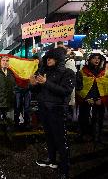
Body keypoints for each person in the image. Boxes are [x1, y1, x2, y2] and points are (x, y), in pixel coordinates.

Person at [30, 47, 75, 179]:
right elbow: (36, 91)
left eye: (51, 57)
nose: (48, 60)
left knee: (60, 139)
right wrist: (32, 85)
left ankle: (64, 169)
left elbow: (65, 91)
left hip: (57, 110)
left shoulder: (68, 73)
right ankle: (51, 160)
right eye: (47, 57)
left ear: (58, 59)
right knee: (49, 137)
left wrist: (46, 83)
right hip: (44, 109)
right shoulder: (43, 71)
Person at [76, 53, 108, 143]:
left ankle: (97, 137)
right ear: (89, 60)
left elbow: (106, 87)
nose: (96, 60)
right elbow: (78, 87)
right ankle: (83, 136)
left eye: (98, 58)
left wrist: (101, 99)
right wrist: (86, 98)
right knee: (83, 119)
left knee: (98, 119)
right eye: (94, 58)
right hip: (86, 99)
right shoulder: (82, 72)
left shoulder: (105, 73)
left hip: (99, 100)